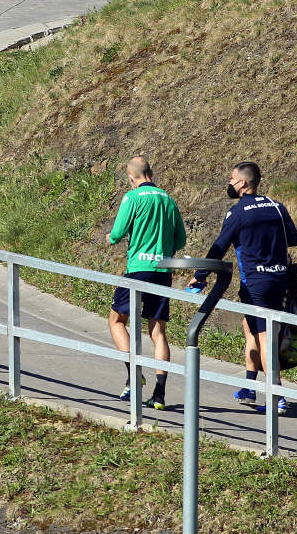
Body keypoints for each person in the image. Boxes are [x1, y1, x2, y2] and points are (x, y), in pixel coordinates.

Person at [187, 161, 297, 414]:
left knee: (264, 336)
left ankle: (276, 397)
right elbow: (294, 239)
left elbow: (220, 246)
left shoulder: (238, 212)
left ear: (243, 183)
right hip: (279, 279)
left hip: (255, 283)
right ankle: (249, 386)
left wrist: (200, 275)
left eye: (232, 178)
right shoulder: (276, 206)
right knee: (249, 327)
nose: (229, 182)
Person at [107, 156, 187, 411]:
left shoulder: (132, 198)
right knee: (158, 331)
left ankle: (134, 373)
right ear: (150, 172)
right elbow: (181, 239)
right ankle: (160, 394)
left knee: (117, 320)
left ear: (131, 177)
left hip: (137, 270)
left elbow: (117, 234)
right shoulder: (168, 199)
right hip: (162, 271)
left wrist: (110, 237)